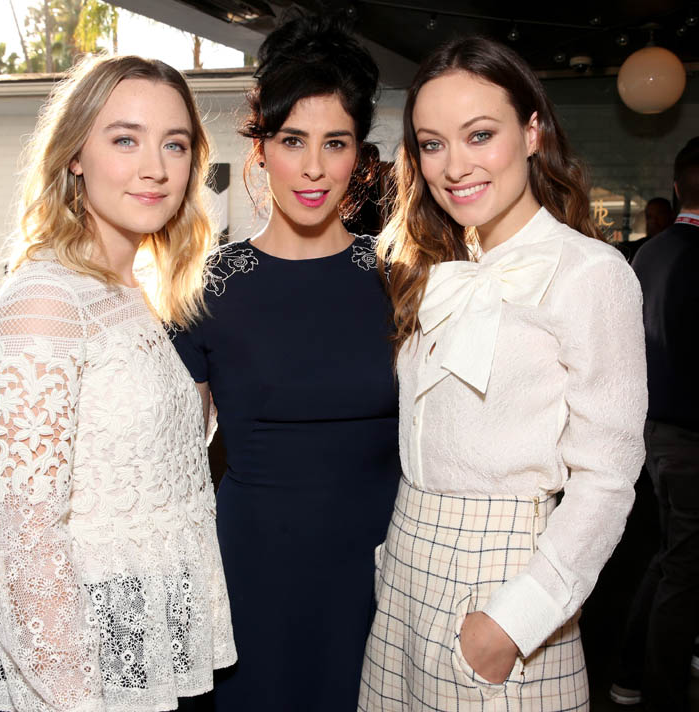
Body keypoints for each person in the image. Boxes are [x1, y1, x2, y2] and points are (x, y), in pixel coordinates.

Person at [358, 37, 646, 712]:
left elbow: (608, 476)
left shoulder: (591, 274)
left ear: (532, 132)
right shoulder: (435, 267)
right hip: (407, 564)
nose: (455, 166)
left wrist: (514, 623)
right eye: (432, 144)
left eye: (480, 135)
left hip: (503, 583)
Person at [0, 55, 235, 711]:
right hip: (77, 678)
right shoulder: (46, 300)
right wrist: (76, 702)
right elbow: (26, 535)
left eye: (175, 144)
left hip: (143, 650)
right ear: (75, 155)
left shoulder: (131, 292)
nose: (155, 167)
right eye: (125, 139)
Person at [170, 15, 400, 712]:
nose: (313, 167)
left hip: (385, 570)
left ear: (359, 156)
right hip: (253, 573)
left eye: (336, 143)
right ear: (261, 147)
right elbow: (170, 466)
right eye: (293, 140)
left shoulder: (402, 278)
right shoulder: (206, 287)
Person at [611, 136, 699, 711]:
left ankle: (628, 675)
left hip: (653, 435)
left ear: (675, 188)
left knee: (670, 560)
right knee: (687, 575)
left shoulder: (648, 254)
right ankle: (660, 696)